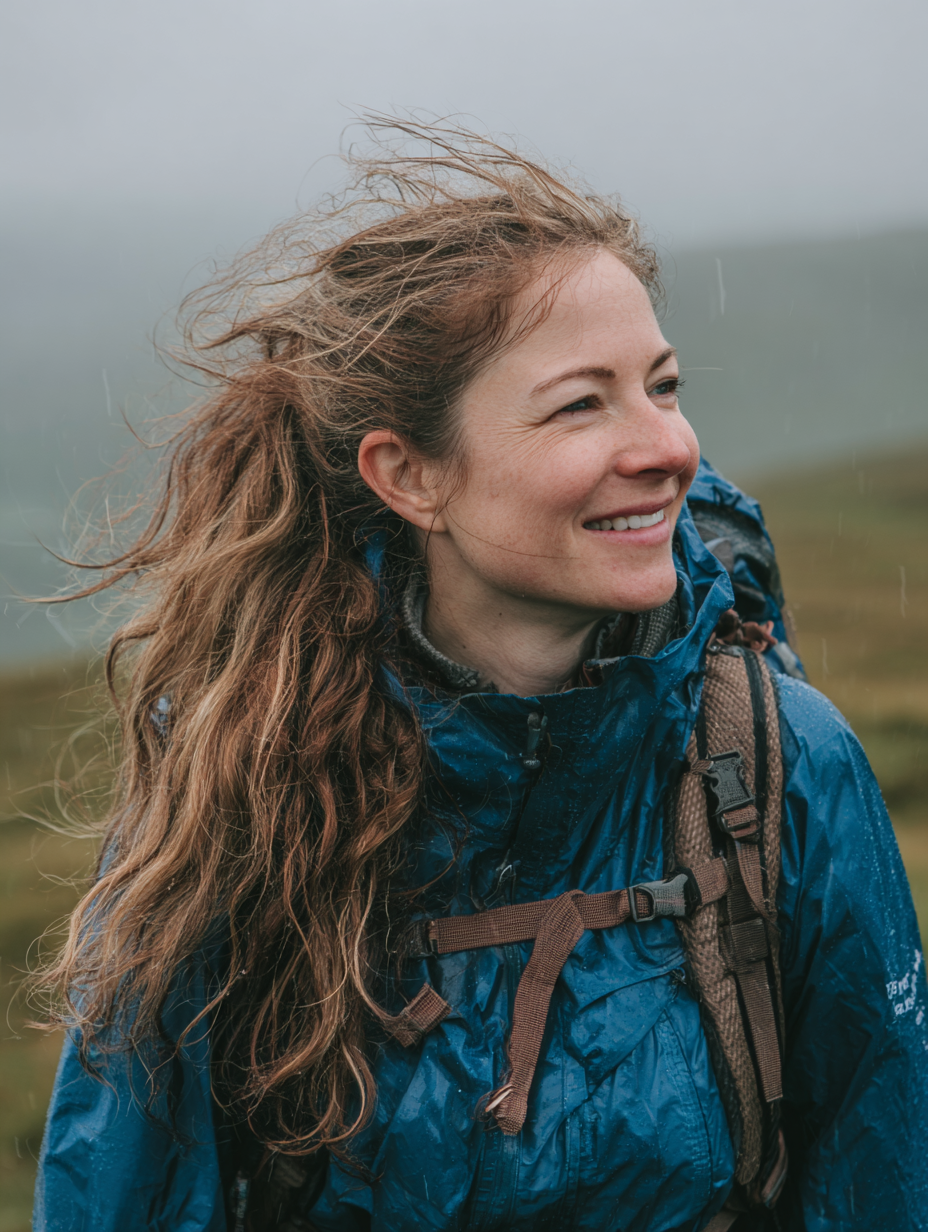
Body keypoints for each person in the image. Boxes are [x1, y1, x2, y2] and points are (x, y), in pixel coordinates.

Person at [33, 120, 927, 1232]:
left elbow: (878, 1173)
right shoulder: (240, 773)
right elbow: (131, 1188)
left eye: (661, 384)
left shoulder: (779, 759)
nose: (666, 445)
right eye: (580, 403)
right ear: (409, 474)